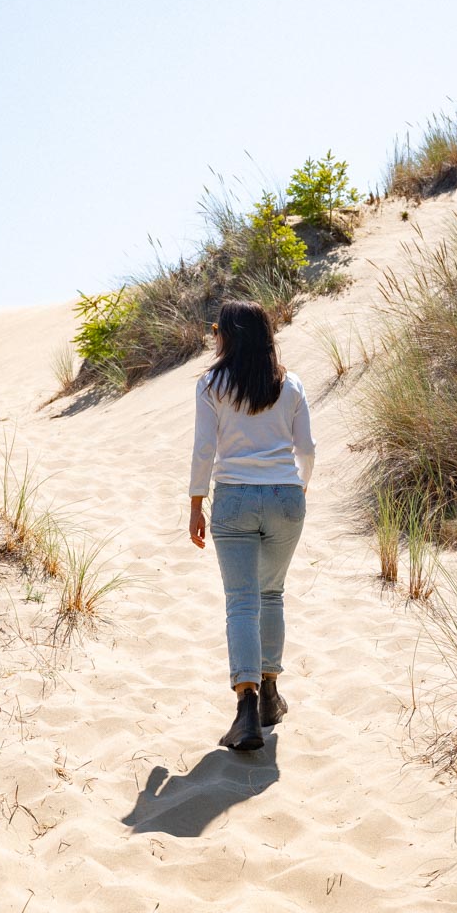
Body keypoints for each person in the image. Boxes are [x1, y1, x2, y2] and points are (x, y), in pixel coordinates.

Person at [187, 300, 315, 751]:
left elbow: (205, 450)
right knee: (271, 594)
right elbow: (308, 450)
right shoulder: (291, 383)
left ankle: (246, 708)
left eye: (217, 329)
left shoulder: (212, 384)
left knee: (242, 602)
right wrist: (298, 489)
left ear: (227, 335)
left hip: (235, 498)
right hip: (285, 495)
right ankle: (271, 695)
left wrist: (196, 504)